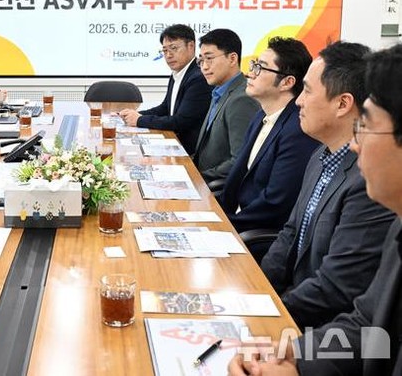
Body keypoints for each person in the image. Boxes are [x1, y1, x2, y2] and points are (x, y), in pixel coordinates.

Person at [228, 42, 402, 376]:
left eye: (366, 126)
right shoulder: (321, 157)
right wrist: (293, 353)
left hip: (316, 318)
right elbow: (368, 327)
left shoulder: (372, 195)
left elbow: (340, 292)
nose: (356, 143)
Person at [258, 41, 394, 329]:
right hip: (291, 304)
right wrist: (256, 291)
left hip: (321, 324)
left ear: (342, 103)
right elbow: (290, 233)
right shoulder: (320, 155)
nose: (298, 101)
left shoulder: (370, 181)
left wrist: (270, 314)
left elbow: (336, 287)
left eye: (307, 91)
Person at [218, 37, 320, 233]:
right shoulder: (261, 116)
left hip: (254, 232)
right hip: (234, 220)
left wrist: (225, 226)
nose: (250, 73)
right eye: (253, 65)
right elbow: (238, 177)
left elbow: (275, 203)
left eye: (260, 68)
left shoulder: (297, 130)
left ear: (287, 82)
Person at [118, 24, 211, 154]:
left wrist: (139, 120)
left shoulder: (198, 78)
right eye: (165, 50)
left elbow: (181, 121)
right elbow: (165, 108)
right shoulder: (177, 73)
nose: (168, 55)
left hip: (189, 152)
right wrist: (135, 114)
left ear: (191, 46)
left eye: (174, 48)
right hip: (174, 143)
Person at [192, 28, 260, 185]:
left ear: (232, 58)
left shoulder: (242, 99)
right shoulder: (219, 91)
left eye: (209, 58)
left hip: (215, 187)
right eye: (201, 61)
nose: (204, 67)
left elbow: (239, 160)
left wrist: (198, 177)